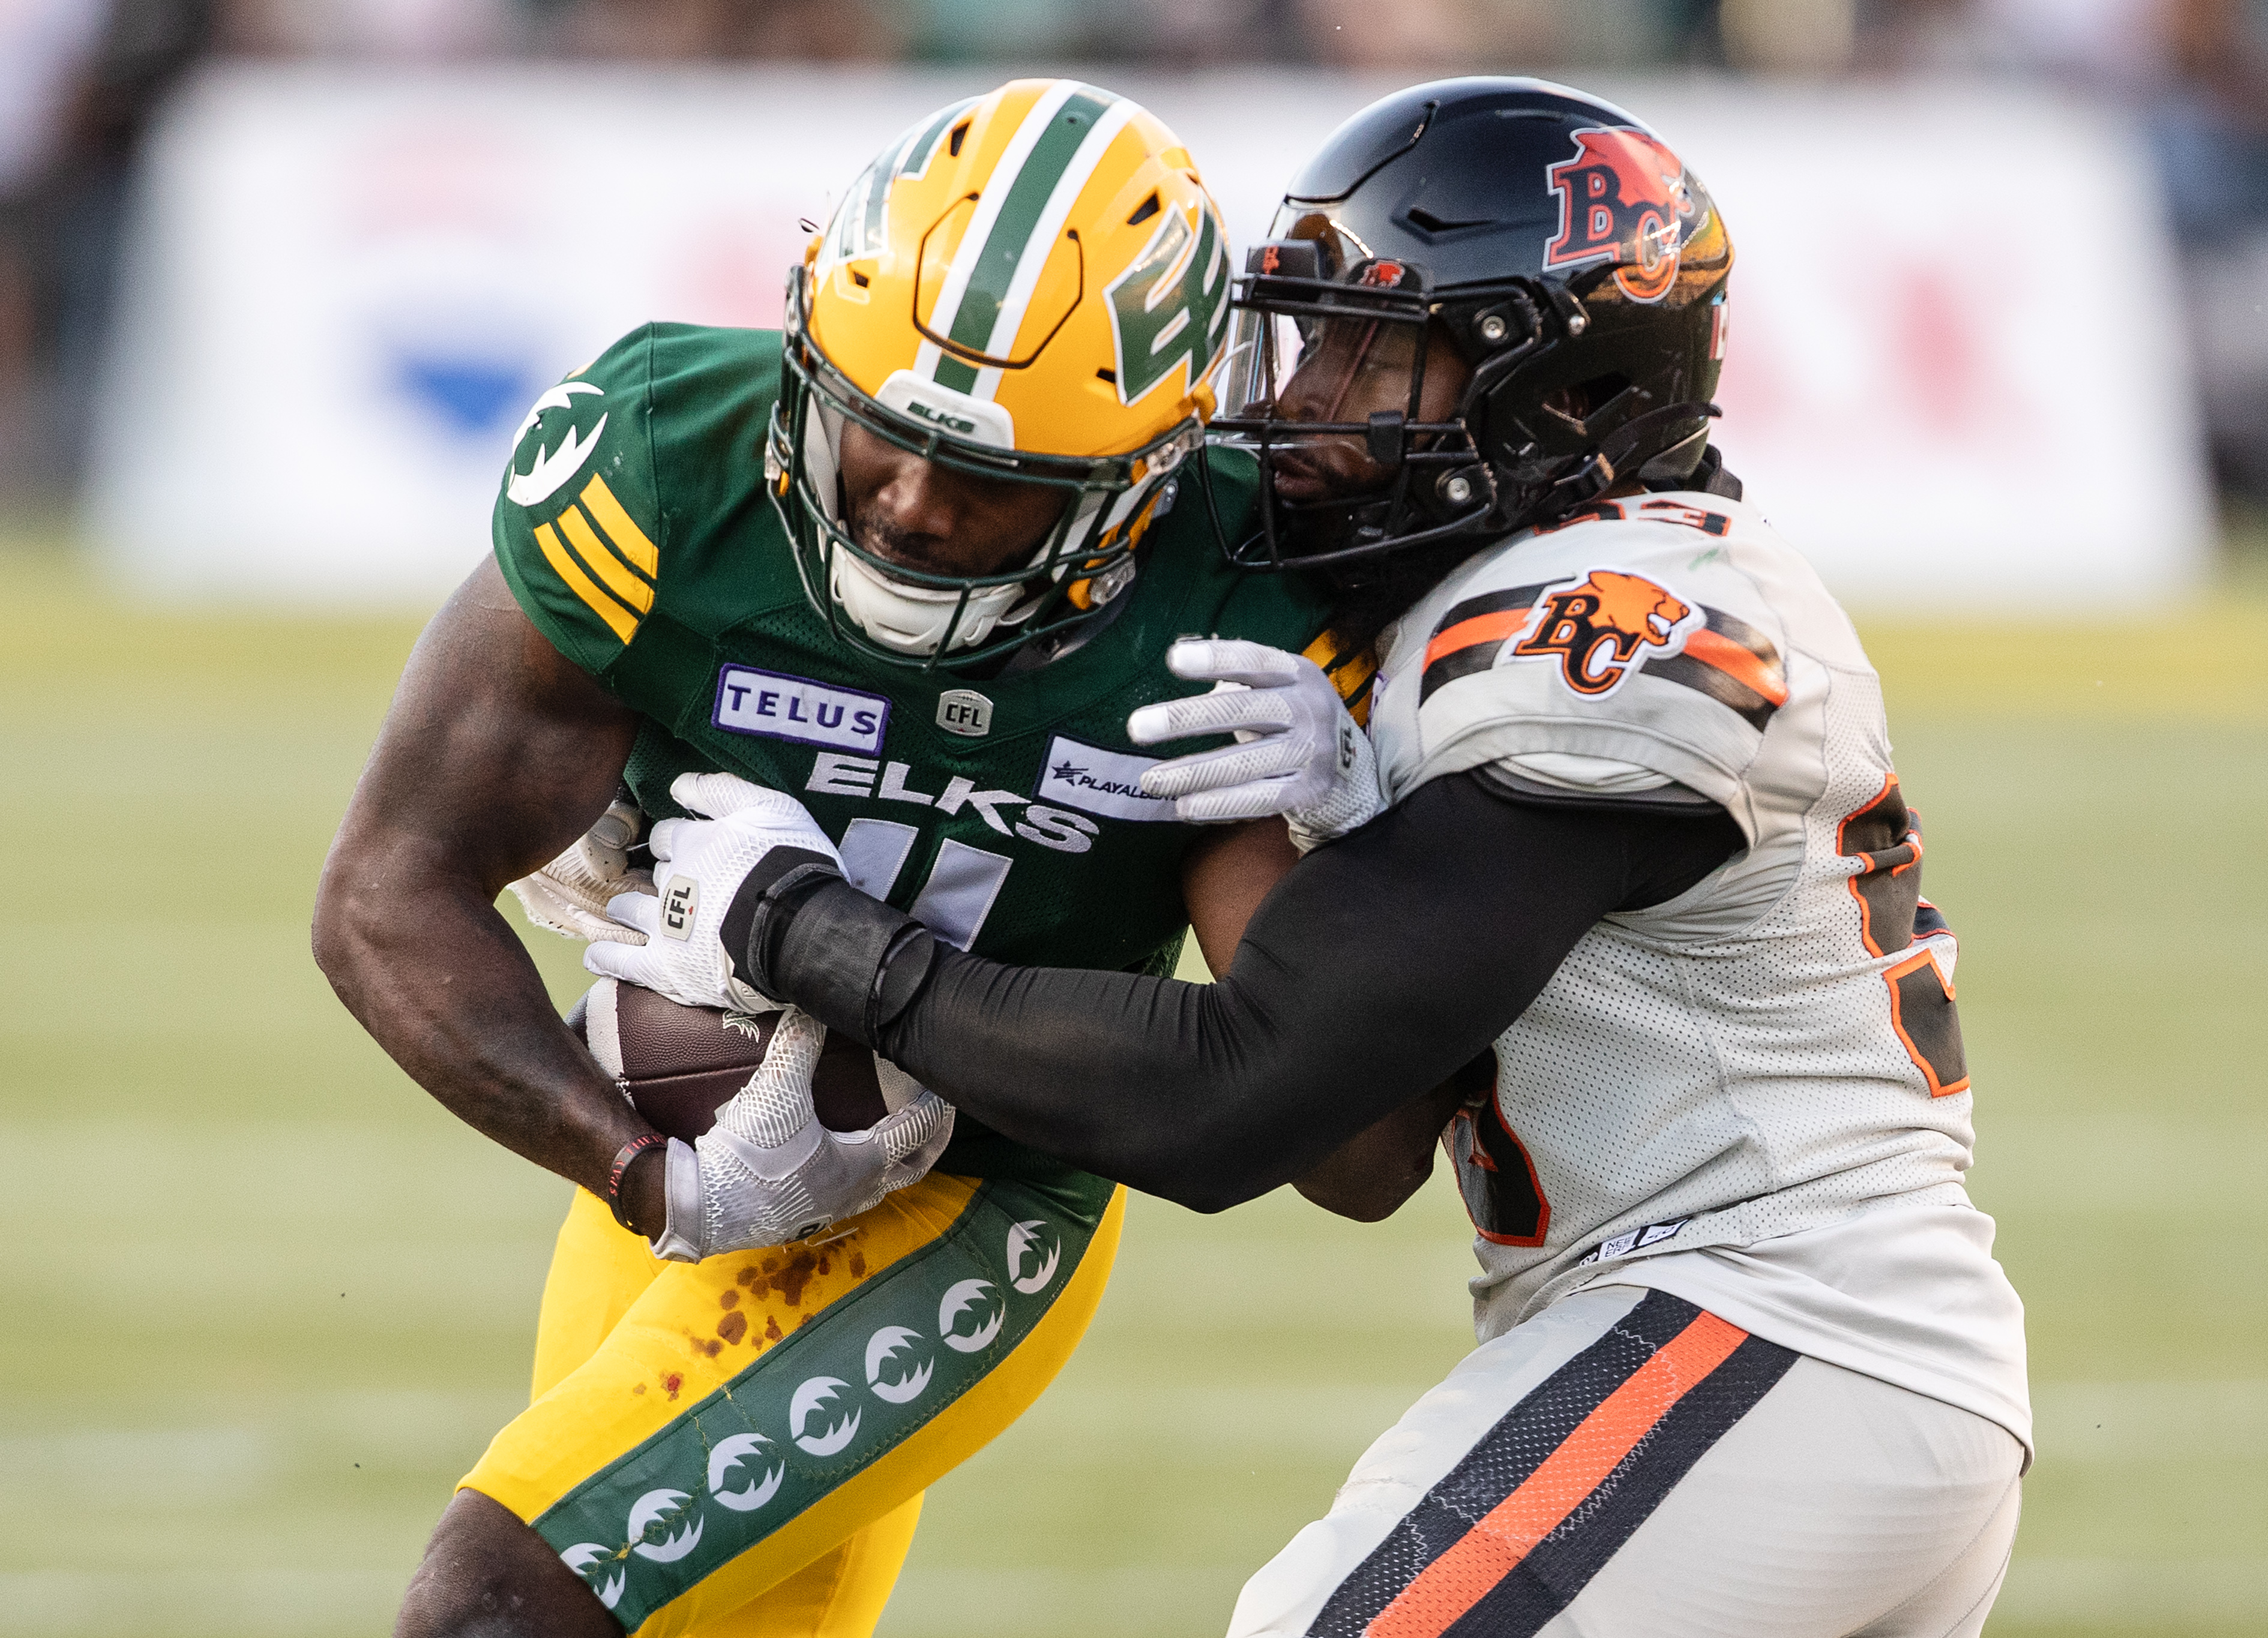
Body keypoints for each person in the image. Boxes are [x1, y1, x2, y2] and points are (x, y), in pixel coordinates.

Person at [600, 79, 2033, 1637]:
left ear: (1555, 396)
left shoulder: (1621, 624)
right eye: (1304, 338)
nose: (1300, 399)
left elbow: (1242, 1095)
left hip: (1777, 1321)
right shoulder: (1523, 597)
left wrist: (806, 928)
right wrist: (1358, 803)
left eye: (1372, 350)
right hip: (1751, 1349)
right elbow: (1367, 1151)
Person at [311, 79, 1369, 1638]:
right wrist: (638, 1167)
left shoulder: (1233, 613)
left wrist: (1349, 829)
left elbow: (1348, 1148)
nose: (912, 502)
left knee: (498, 1608)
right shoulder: (676, 465)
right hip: (695, 1152)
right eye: (881, 429)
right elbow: (383, 891)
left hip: (977, 1198)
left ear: (1144, 475)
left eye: (999, 478)